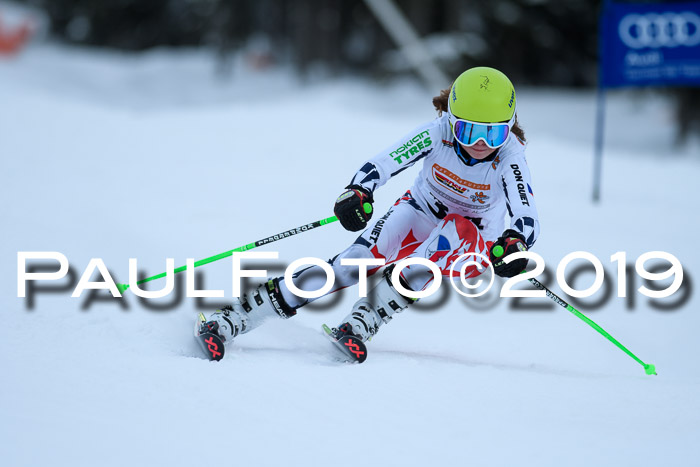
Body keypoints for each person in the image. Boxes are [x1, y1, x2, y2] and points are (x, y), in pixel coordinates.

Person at [202, 66, 540, 347]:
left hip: (476, 243)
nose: (480, 144)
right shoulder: (437, 134)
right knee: (353, 263)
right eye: (468, 131)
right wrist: (359, 191)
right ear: (452, 120)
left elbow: (526, 214)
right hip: (422, 210)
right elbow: (383, 163)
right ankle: (238, 315)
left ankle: (367, 317)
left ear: (508, 128)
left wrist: (515, 243)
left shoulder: (510, 157)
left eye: (493, 135)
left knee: (455, 231)